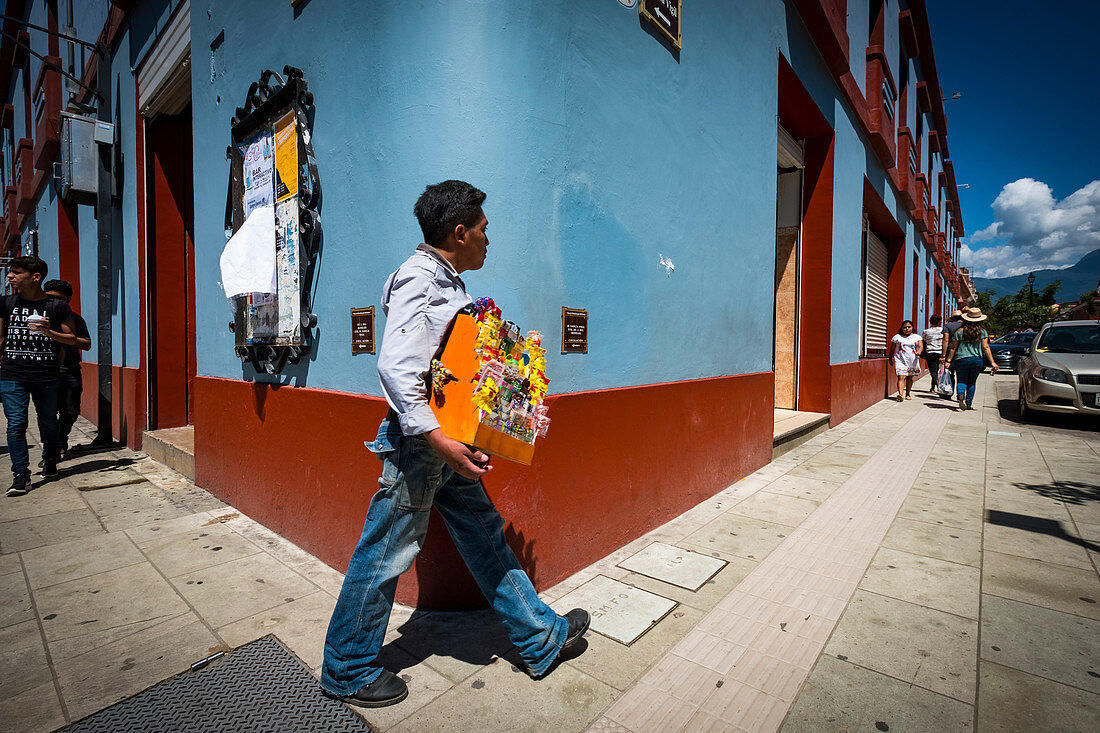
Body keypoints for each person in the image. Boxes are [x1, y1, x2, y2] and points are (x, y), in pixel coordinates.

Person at [320, 181, 589, 708]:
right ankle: (346, 667)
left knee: (485, 536)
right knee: (386, 550)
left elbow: (451, 368)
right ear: (459, 232)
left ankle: (539, 638)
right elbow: (396, 368)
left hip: (442, 445)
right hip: (422, 446)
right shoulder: (419, 281)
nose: (490, 240)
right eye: (484, 230)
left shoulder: (444, 280)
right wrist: (442, 442)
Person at [0, 257, 77, 496]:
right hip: (12, 372)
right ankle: (21, 476)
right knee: (16, 424)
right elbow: (1, 338)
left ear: (35, 277)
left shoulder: (57, 306)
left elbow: (72, 339)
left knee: (48, 422)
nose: (10, 276)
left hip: (46, 374)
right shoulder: (6, 302)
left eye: (16, 273)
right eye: (10, 272)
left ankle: (50, 460)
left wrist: (49, 331)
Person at [42, 280, 91, 456]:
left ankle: (60, 439)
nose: (55, 302)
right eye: (50, 297)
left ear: (68, 299)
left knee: (71, 410)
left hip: (69, 369)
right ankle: (51, 450)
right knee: (47, 413)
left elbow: (86, 344)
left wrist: (64, 338)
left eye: (60, 299)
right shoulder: (38, 319)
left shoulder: (76, 319)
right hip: (44, 370)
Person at [943, 306, 999, 411]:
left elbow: (953, 348)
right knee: (972, 382)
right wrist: (993, 362)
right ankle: (968, 404)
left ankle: (960, 395)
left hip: (961, 359)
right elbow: (986, 347)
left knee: (961, 380)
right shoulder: (982, 332)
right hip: (976, 359)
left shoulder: (959, 332)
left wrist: (948, 360)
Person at [889, 320, 923, 401]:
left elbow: (921, 346)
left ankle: (907, 394)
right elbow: (892, 349)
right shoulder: (897, 337)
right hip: (900, 360)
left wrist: (919, 352)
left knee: (909, 378)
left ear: (912, 328)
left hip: (912, 360)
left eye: (909, 327)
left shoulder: (917, 337)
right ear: (902, 328)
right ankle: (900, 394)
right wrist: (890, 358)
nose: (907, 329)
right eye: (905, 327)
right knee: (901, 376)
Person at [920, 314, 945, 392]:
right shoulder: (943, 330)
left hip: (930, 352)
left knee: (933, 371)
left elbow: (924, 340)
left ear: (930, 322)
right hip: (940, 353)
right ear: (940, 322)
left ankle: (937, 386)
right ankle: (933, 387)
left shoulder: (926, 331)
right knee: (937, 370)